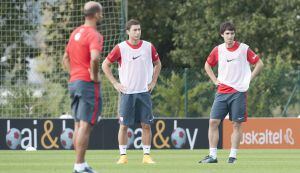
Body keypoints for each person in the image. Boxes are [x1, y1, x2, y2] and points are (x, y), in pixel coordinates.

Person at [199, 21, 264, 164]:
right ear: (222, 35)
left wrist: (249, 79)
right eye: (227, 34)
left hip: (238, 93)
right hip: (222, 92)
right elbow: (207, 65)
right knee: (213, 122)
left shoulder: (243, 49)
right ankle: (212, 156)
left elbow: (259, 64)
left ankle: (232, 157)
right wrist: (215, 80)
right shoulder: (218, 50)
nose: (230, 36)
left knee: (236, 124)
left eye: (232, 33)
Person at [102, 19, 162, 164]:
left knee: (146, 125)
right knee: (124, 126)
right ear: (128, 32)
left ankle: (146, 156)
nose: (137, 32)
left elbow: (158, 63)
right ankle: (123, 156)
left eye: (139, 29)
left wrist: (153, 82)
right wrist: (115, 83)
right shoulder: (120, 48)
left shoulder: (148, 47)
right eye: (134, 30)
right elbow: (105, 65)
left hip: (143, 93)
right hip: (127, 94)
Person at [62, 1, 103, 172]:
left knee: (78, 124)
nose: (102, 15)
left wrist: (73, 74)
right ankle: (79, 166)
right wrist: (93, 75)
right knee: (85, 125)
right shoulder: (94, 35)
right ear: (96, 14)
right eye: (101, 12)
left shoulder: (75, 33)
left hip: (74, 82)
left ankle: (81, 163)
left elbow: (65, 58)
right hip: (87, 84)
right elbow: (94, 58)